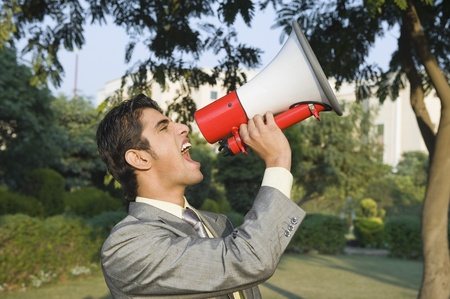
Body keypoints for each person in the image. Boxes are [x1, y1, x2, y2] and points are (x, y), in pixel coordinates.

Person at [96, 93, 305, 299]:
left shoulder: (219, 223)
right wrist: (278, 160)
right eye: (163, 127)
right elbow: (250, 259)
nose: (183, 127)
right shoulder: (126, 248)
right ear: (139, 158)